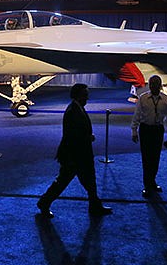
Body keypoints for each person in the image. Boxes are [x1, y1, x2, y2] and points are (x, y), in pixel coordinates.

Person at [37, 83, 112, 218]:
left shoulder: (76, 108)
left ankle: (94, 205)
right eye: (85, 95)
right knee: (64, 182)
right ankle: (44, 202)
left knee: (87, 181)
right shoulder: (73, 111)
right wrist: (88, 138)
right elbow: (72, 135)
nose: (87, 98)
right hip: (75, 155)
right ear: (78, 95)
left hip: (78, 154)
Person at [131, 75, 167, 197]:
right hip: (145, 129)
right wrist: (134, 130)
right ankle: (147, 185)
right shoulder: (143, 98)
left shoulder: (166, 99)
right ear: (149, 85)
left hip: (158, 130)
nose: (154, 86)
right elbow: (137, 115)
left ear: (160, 85)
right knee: (146, 158)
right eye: (152, 83)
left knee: (155, 158)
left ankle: (152, 181)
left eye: (156, 83)